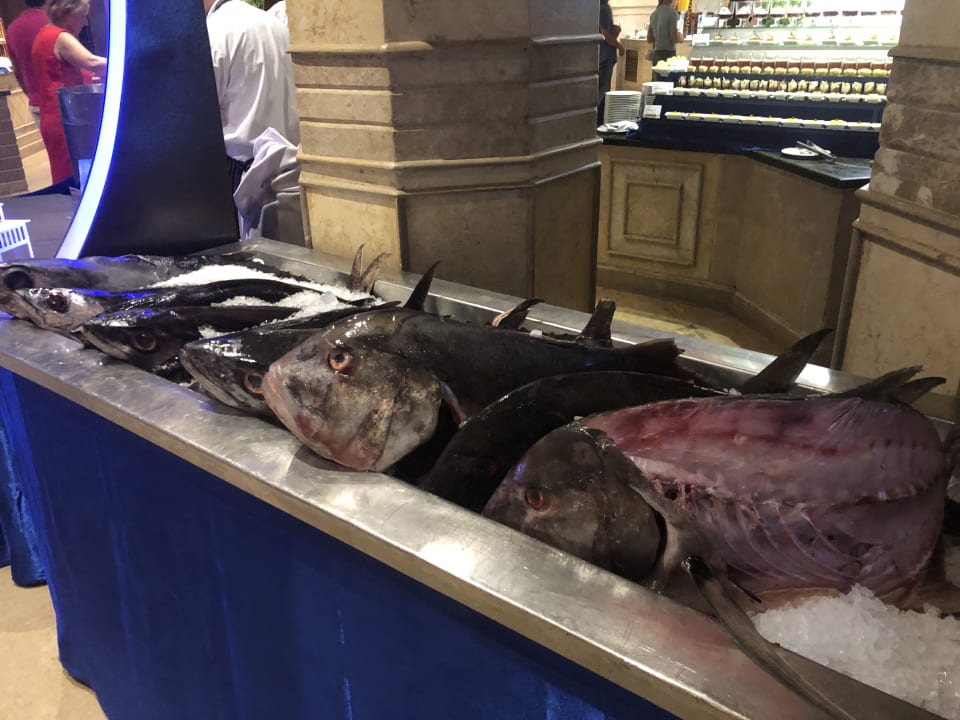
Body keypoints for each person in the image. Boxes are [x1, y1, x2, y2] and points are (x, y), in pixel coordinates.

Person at [203, 0, 301, 193]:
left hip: (245, 178)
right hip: (291, 169)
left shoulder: (213, 34)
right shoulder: (274, 23)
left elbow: (198, 120)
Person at [31, 0, 106, 185]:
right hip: (64, 117)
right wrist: (128, 61)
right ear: (68, 14)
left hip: (53, 114)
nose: (85, 23)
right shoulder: (60, 37)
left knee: (67, 173)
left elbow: (58, 72)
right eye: (82, 16)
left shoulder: (44, 34)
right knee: (75, 175)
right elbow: (92, 62)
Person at [7, 0, 49, 126]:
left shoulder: (12, 29)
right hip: (63, 101)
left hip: (36, 102)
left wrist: (31, 94)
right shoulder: (53, 22)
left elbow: (17, 71)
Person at [598, 0, 625, 127]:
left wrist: (615, 30)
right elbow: (606, 35)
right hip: (605, 56)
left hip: (603, 55)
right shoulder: (603, 9)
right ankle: (599, 121)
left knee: (603, 88)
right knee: (602, 90)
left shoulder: (602, 8)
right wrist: (620, 46)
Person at [647, 0, 682, 66]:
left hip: (656, 54)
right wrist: (680, 37)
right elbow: (674, 37)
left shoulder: (654, 14)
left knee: (657, 72)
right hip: (669, 55)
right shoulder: (672, 13)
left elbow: (650, 39)